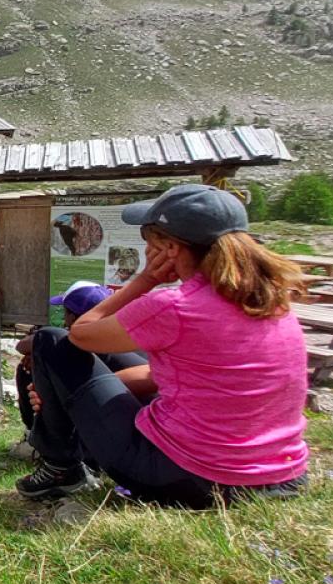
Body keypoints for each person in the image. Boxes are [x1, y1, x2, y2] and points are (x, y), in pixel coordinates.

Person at [18, 184, 309, 508]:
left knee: (50, 340)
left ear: (169, 248)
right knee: (120, 353)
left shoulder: (174, 306)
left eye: (149, 243)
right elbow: (179, 377)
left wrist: (145, 280)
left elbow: (79, 334)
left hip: (187, 479)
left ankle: (61, 467)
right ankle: (67, 459)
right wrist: (66, 395)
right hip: (281, 477)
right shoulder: (272, 305)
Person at [11, 281, 147, 459]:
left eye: (65, 312)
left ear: (74, 318)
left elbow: (23, 345)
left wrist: (40, 354)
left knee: (29, 371)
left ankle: (41, 442)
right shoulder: (127, 337)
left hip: (123, 433)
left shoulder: (83, 339)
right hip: (140, 424)